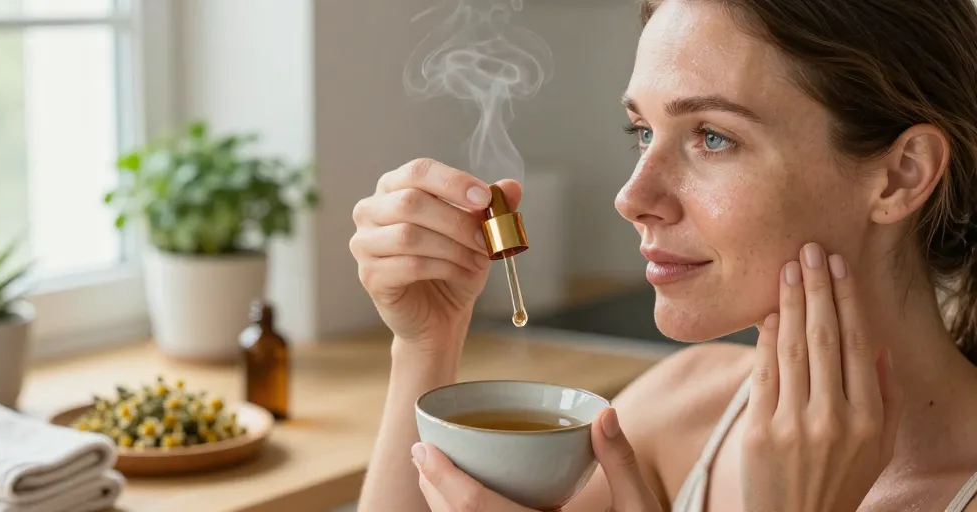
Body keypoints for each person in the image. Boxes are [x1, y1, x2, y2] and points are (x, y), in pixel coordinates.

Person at [349, 0, 977, 509]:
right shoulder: (683, 410)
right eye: (643, 132)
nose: (633, 197)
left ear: (900, 175)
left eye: (712, 137)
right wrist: (428, 344)